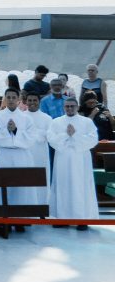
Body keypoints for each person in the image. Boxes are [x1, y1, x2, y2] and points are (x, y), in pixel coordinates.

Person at [47, 97, 99, 230]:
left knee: (80, 187)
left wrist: (75, 135)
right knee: (63, 186)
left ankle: (82, 219)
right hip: (63, 159)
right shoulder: (56, 122)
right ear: (63, 107)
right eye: (67, 106)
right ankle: (62, 219)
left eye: (72, 106)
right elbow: (51, 139)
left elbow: (93, 140)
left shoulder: (86, 122)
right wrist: (66, 134)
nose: (69, 108)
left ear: (77, 107)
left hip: (80, 160)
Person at [0, 89, 44, 212]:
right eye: (8, 97)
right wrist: (6, 131)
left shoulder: (27, 118)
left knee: (21, 187)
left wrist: (16, 131)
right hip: (4, 155)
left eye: (14, 97)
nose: (11, 100)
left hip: (22, 156)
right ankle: (3, 215)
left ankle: (21, 216)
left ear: (19, 99)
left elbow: (31, 139)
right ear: (5, 99)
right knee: (4, 186)